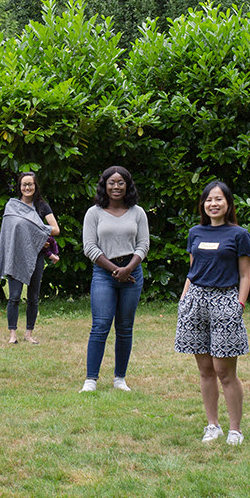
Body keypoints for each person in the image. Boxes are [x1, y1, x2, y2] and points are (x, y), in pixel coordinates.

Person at [175, 181, 250, 445]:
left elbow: (245, 275)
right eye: (209, 200)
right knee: (205, 369)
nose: (213, 204)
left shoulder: (239, 235)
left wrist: (238, 306)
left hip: (225, 302)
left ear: (228, 203)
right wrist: (185, 298)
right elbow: (192, 269)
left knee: (224, 370)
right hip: (195, 301)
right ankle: (212, 425)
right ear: (203, 204)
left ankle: (235, 429)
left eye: (219, 199)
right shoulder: (195, 232)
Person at [80, 165, 149, 393]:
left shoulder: (138, 213)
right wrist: (115, 270)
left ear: (127, 185)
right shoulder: (94, 213)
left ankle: (120, 378)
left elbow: (143, 245)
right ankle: (91, 379)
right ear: (104, 185)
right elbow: (89, 247)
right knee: (100, 325)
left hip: (132, 272)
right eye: (111, 182)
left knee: (125, 327)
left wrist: (128, 269)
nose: (116, 186)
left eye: (121, 182)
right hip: (104, 273)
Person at [0, 171, 61, 344]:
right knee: (14, 296)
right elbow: (8, 232)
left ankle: (29, 334)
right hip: (15, 256)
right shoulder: (12, 206)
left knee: (33, 297)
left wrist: (38, 233)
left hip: (36, 256)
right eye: (24, 184)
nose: (27, 187)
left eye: (30, 184)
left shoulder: (42, 206)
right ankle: (12, 335)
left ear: (35, 186)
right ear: (19, 187)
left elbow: (55, 229)